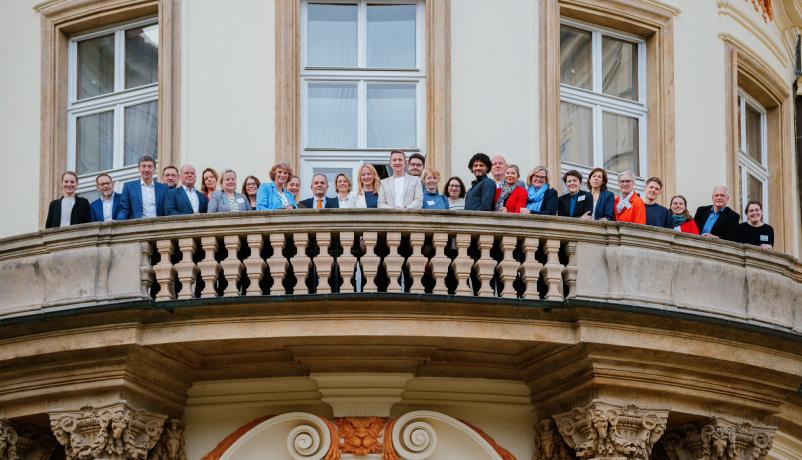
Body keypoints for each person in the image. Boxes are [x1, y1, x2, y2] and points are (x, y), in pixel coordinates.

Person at [117, 155, 168, 219]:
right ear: (139, 169)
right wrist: (119, 223)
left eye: (149, 166)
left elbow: (167, 210)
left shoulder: (163, 188)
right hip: (138, 226)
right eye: (143, 166)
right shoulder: (129, 187)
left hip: (158, 225)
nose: (146, 169)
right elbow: (124, 209)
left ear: (154, 169)